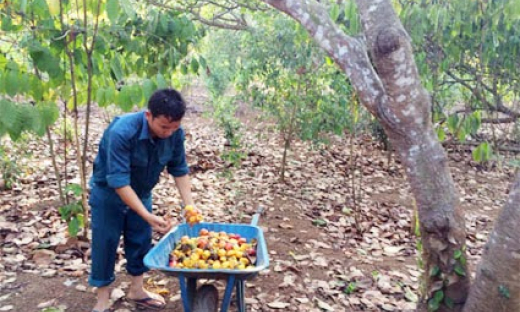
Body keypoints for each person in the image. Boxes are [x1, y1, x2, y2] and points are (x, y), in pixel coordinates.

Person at [88, 88, 194, 312]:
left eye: (174, 127)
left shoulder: (175, 133)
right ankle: (102, 299)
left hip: (142, 191)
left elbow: (179, 169)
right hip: (108, 192)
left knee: (140, 240)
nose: (169, 132)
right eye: (164, 127)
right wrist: (146, 215)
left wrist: (190, 205)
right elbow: (118, 181)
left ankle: (137, 290)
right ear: (149, 116)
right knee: (105, 242)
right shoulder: (122, 131)